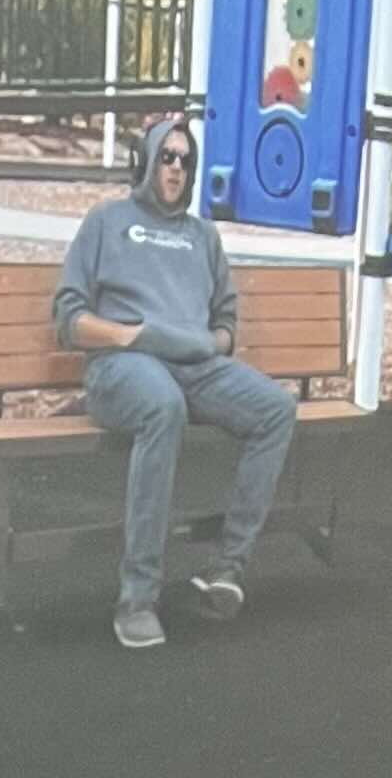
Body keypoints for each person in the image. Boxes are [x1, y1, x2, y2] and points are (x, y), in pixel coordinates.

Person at [50, 115, 297, 651]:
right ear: (146, 161)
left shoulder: (202, 236)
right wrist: (127, 335)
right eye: (167, 157)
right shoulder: (106, 222)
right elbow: (68, 318)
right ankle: (138, 598)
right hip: (124, 365)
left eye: (186, 161)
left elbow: (226, 320)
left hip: (196, 367)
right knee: (163, 407)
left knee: (276, 409)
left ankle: (226, 570)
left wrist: (212, 345)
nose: (177, 169)